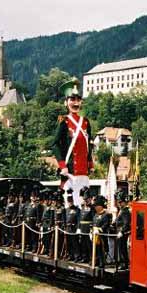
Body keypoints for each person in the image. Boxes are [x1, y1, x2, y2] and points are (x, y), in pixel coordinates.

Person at [52, 78, 93, 208]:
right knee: (70, 206)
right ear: (66, 102)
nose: (76, 103)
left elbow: (89, 145)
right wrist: (62, 165)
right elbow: (55, 144)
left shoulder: (85, 122)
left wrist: (90, 163)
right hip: (70, 171)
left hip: (83, 171)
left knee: (84, 204)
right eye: (72, 100)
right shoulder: (64, 121)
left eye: (78, 100)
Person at [116, 197, 131, 269]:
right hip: (120, 231)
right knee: (121, 247)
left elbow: (126, 223)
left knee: (122, 248)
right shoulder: (122, 210)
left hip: (122, 232)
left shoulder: (125, 211)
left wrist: (122, 232)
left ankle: (124, 264)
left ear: (124, 203)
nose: (119, 204)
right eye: (119, 202)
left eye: (121, 202)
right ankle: (123, 263)